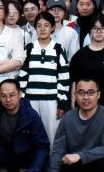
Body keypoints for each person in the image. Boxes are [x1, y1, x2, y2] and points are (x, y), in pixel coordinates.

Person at [18, 11, 70, 148]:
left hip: (51, 101)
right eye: (39, 26)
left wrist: (62, 102)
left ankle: (51, 161)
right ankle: (33, 161)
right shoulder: (29, 48)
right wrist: (22, 99)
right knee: (30, 134)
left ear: (52, 27)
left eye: (46, 25)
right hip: (31, 100)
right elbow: (22, 76)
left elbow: (64, 77)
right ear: (35, 28)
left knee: (51, 135)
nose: (42, 29)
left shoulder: (58, 49)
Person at [68, 14, 104, 116]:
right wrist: (73, 104)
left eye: (102, 28)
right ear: (90, 31)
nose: (99, 32)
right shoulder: (79, 55)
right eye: (95, 28)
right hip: (83, 106)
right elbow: (74, 81)